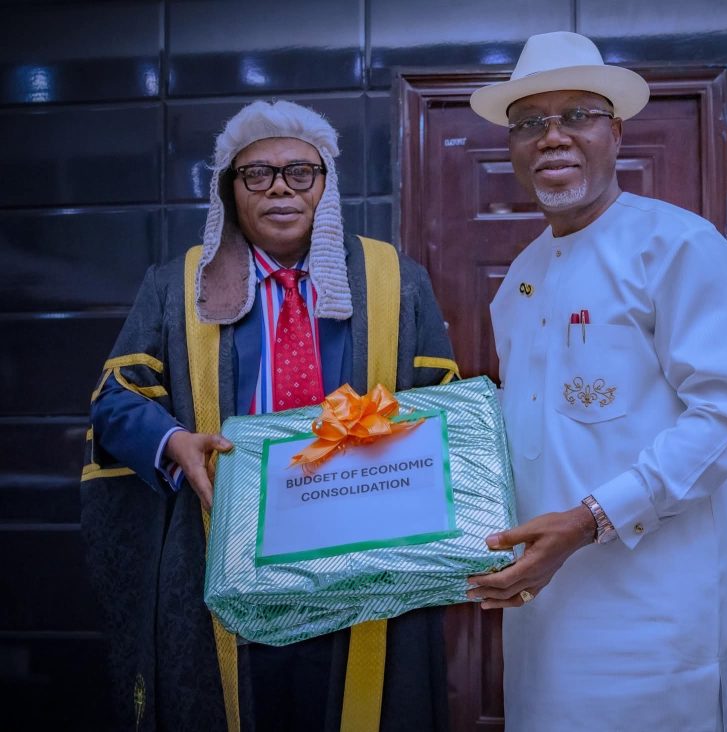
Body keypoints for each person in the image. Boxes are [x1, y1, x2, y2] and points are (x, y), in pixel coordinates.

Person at [80, 100, 457, 731]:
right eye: (256, 174)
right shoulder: (178, 286)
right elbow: (116, 402)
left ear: (326, 185)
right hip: (227, 545)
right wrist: (173, 442)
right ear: (229, 191)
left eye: (300, 172)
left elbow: (441, 407)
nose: (280, 187)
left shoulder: (395, 279)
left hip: (362, 549)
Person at [467, 32, 727, 731]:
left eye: (577, 115)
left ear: (616, 133)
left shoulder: (680, 247)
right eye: (530, 122)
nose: (552, 137)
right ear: (512, 148)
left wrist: (589, 520)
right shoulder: (520, 279)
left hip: (653, 611)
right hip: (541, 604)